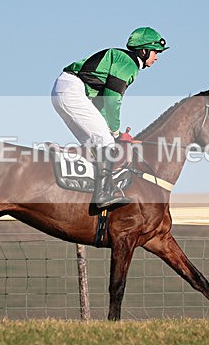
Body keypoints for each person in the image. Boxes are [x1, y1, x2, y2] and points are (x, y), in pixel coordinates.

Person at [51, 27, 168, 209]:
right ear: (144, 51)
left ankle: (87, 191)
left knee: (94, 145)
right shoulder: (128, 64)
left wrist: (113, 131)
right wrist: (114, 131)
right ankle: (102, 194)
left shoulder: (125, 60)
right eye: (155, 52)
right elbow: (112, 100)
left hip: (66, 90)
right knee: (105, 141)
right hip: (72, 90)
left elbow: (103, 105)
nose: (157, 57)